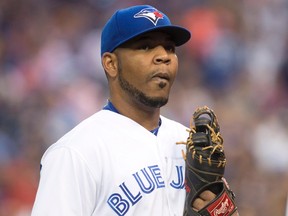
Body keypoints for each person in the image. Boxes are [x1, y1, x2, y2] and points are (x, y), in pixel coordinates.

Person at [32, 5, 238, 216]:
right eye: (146, 47)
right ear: (111, 64)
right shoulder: (76, 153)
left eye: (169, 48)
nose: (163, 57)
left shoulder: (190, 143)